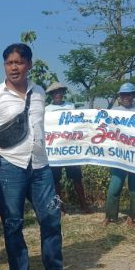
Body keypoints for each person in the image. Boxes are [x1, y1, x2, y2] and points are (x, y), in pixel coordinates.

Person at [0, 43, 79, 270]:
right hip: (9, 168)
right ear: (4, 66)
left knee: (51, 217)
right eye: (9, 63)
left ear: (29, 65)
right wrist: (3, 152)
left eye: (19, 62)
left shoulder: (40, 92)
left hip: (41, 166)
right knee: (13, 223)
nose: (14, 67)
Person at [103, 82, 135, 227]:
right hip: (119, 157)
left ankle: (133, 217)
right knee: (114, 187)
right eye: (123, 95)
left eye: (129, 94)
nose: (126, 97)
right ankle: (110, 216)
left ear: (133, 96)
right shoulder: (114, 111)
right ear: (120, 96)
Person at [44, 82, 90, 214]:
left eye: (59, 92)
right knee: (55, 181)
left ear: (63, 93)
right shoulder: (47, 110)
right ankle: (60, 208)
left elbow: (77, 124)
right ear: (51, 95)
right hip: (55, 151)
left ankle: (84, 205)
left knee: (77, 178)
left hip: (71, 150)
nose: (57, 94)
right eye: (54, 92)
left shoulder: (71, 106)